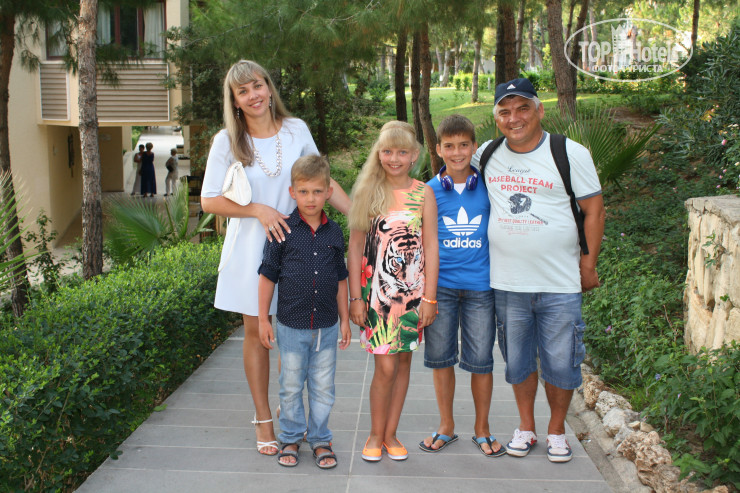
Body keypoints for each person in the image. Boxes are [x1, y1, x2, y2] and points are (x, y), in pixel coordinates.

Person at [200, 60, 350, 457]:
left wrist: (359, 216)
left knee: (293, 332)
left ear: (269, 87)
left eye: (257, 86)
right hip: (252, 249)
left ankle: (291, 411)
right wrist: (258, 210)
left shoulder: (296, 130)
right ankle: (264, 418)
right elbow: (209, 200)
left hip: (300, 250)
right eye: (242, 91)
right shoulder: (226, 142)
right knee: (258, 334)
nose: (253, 95)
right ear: (234, 101)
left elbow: (322, 181)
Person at [472, 78, 605, 463]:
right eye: (505, 111)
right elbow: (452, 179)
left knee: (561, 363)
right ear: (496, 117)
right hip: (507, 283)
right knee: (518, 362)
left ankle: (557, 431)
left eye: (523, 108)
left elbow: (594, 211)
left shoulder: (568, 152)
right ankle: (526, 427)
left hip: (559, 282)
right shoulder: (486, 154)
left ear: (539, 109)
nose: (514, 118)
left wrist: (588, 265)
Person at [347, 120, 439, 462]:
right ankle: (374, 433)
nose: (394, 158)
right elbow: (355, 249)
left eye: (402, 152)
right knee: (385, 368)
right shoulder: (368, 191)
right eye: (387, 151)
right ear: (379, 153)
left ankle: (390, 434)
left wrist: (429, 298)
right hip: (377, 296)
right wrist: (355, 298)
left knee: (402, 364)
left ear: (414, 155)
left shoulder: (424, 193)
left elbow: (431, 246)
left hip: (414, 295)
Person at [257, 155, 351, 469]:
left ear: (328, 193)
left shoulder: (334, 232)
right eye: (304, 191)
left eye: (317, 191)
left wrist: (345, 319)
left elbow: (341, 278)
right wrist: (262, 319)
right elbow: (267, 276)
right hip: (290, 326)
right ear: (293, 192)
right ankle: (291, 437)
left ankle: (321, 439)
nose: (311, 198)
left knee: (323, 387)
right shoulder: (281, 230)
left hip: (326, 325)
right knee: (291, 385)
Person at [419, 115, 504, 458]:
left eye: (464, 145)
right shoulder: (429, 190)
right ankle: (446, 426)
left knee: (481, 360)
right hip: (441, 289)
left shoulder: (488, 185)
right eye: (449, 146)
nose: (457, 152)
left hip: (481, 288)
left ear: (474, 147)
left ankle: (482, 428)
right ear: (438, 149)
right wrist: (427, 295)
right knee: (441, 359)